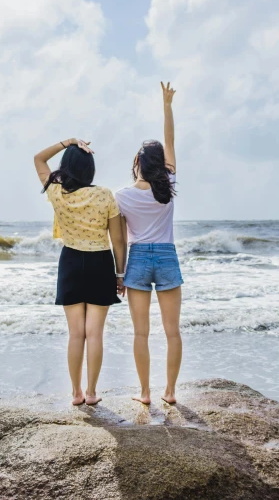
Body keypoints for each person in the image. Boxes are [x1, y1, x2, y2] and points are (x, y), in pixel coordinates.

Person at [34, 138, 127, 406]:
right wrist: (120, 275)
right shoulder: (105, 195)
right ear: (90, 169)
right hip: (100, 262)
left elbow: (39, 159)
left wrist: (68, 143)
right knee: (94, 333)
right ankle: (92, 392)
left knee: (76, 333)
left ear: (66, 167)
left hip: (71, 262)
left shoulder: (56, 191)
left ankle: (75, 392)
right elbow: (118, 240)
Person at [115, 82, 183, 405]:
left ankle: (145, 393)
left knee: (141, 333)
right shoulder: (168, 184)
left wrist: (119, 273)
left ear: (138, 163)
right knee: (172, 332)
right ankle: (169, 392)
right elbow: (169, 140)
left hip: (138, 259)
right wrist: (167, 106)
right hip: (167, 256)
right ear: (159, 163)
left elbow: (117, 237)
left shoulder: (122, 196)